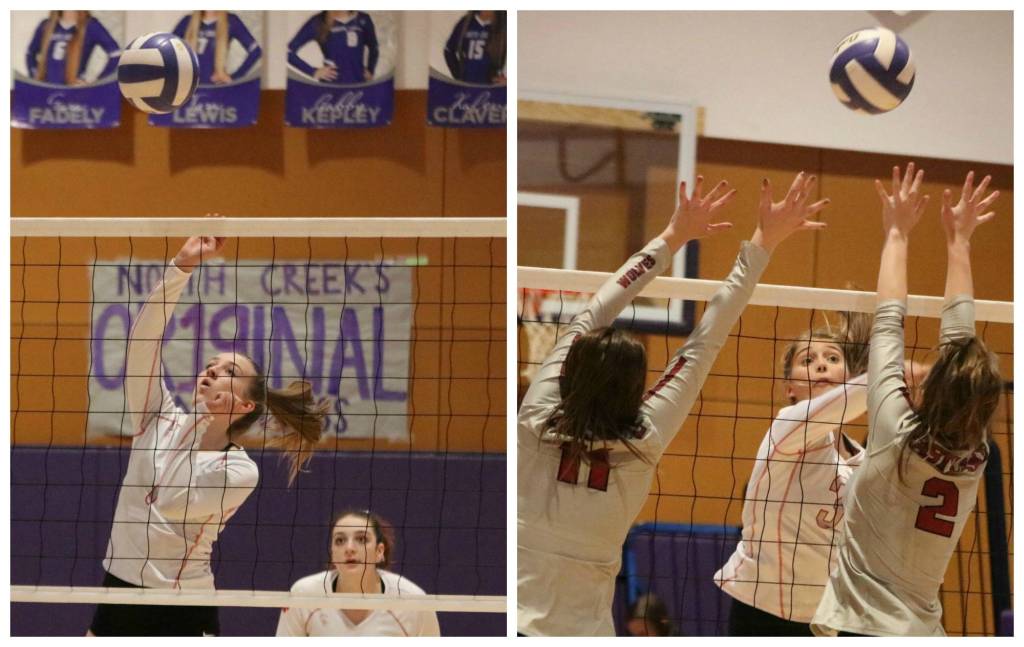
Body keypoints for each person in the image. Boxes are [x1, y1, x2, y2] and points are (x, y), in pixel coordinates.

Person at [517, 172, 831, 636]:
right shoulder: (645, 437)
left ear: (569, 373)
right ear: (634, 388)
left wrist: (672, 236)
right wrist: (764, 238)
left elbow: (595, 308)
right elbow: (709, 336)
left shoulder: (536, 415)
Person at [88, 235, 329, 636]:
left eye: (229, 372)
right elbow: (142, 346)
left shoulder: (240, 471)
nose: (213, 370)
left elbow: (170, 499)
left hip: (180, 609)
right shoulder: (158, 416)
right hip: (117, 592)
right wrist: (180, 268)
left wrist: (203, 419)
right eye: (213, 363)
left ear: (246, 405)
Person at [811, 164, 1002, 636]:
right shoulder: (977, 452)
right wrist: (959, 241)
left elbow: (888, 319)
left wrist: (898, 231)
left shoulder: (894, 428)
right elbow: (956, 339)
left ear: (936, 386)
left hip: (863, 626)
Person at [714, 308, 929, 634]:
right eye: (807, 360)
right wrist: (890, 373)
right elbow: (848, 402)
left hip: (825, 619)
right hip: (762, 609)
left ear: (847, 375)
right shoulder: (787, 426)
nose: (821, 364)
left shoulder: (862, 460)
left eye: (832, 358)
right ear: (789, 386)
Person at [276, 509, 441, 636]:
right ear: (333, 552)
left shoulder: (412, 601)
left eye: (361, 539)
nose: (349, 548)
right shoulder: (304, 594)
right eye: (340, 540)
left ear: (379, 551)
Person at [26, 11, 120, 85]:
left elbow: (116, 54)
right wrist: (36, 77)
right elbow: (30, 53)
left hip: (74, 94)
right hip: (47, 92)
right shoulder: (46, 25)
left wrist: (96, 83)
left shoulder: (90, 25)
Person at [287, 11, 379, 84]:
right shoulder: (318, 21)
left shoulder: (363, 19)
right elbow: (288, 52)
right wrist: (313, 72)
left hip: (359, 85)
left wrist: (371, 69)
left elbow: (374, 47)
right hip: (331, 88)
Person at [173, 11, 262, 85]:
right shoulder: (187, 21)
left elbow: (256, 51)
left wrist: (235, 77)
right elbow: (165, 52)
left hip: (217, 88)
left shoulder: (231, 20)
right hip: (188, 88)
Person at [444, 11, 506, 85]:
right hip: (468, 85)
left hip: (491, 87)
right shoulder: (466, 22)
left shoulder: (504, 24)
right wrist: (459, 76)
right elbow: (448, 50)